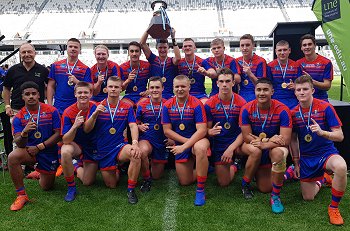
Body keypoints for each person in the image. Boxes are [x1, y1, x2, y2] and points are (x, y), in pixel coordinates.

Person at [291, 75, 347, 225]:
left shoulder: (325, 107)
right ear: (295, 92)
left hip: (326, 152)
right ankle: (323, 179)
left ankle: (334, 207)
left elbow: (340, 136)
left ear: (312, 90)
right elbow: (293, 140)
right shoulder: (293, 113)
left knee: (341, 167)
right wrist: (296, 163)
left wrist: (323, 133)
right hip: (307, 157)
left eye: (305, 89)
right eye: (298, 90)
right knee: (308, 197)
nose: (302, 92)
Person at [84, 76, 142, 204]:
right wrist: (94, 115)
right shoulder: (97, 106)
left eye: (116, 87)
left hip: (120, 146)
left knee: (135, 154)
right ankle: (119, 169)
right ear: (106, 89)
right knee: (112, 185)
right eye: (111, 87)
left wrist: (135, 143)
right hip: (103, 149)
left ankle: (131, 190)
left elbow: (133, 125)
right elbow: (87, 129)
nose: (113, 89)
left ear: (121, 89)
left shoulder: (126, 107)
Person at [239, 78, 292, 214]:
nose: (262, 93)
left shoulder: (282, 110)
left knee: (278, 155)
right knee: (255, 151)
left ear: (272, 91)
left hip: (271, 147)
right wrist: (267, 141)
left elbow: (285, 139)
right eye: (259, 90)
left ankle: (275, 196)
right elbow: (246, 136)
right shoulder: (246, 108)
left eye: (265, 90)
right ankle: (245, 184)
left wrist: (265, 145)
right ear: (254, 91)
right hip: (254, 145)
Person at [8, 81, 60, 211]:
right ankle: (21, 195)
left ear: (39, 95)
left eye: (33, 93)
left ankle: (39, 172)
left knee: (46, 187)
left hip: (48, 151)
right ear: (22, 97)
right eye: (27, 94)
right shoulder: (18, 117)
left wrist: (40, 147)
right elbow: (19, 143)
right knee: (13, 157)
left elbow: (58, 134)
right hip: (30, 152)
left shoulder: (52, 111)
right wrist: (24, 132)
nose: (31, 96)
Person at [162, 75, 210, 206]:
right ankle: (206, 168)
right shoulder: (167, 106)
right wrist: (185, 143)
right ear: (172, 88)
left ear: (189, 87)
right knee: (184, 181)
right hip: (182, 142)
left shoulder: (197, 104)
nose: (180, 89)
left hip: (198, 140)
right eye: (177, 86)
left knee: (200, 148)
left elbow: (202, 130)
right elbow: (167, 131)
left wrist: (185, 146)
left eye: (183, 86)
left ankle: (200, 189)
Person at [205, 68, 246, 186]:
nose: (224, 85)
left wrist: (231, 149)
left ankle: (251, 173)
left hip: (237, 143)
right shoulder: (210, 103)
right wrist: (210, 131)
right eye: (221, 81)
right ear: (217, 83)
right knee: (223, 183)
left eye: (228, 81)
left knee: (253, 149)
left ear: (233, 83)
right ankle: (235, 166)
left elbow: (245, 132)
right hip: (219, 144)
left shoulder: (242, 103)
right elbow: (206, 130)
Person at [60, 81, 96, 202]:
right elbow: (65, 140)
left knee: (87, 182)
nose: (83, 95)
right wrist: (75, 126)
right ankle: (71, 187)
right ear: (75, 94)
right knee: (65, 151)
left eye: (86, 92)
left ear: (90, 94)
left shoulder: (95, 107)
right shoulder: (68, 112)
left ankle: (75, 165)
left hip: (93, 146)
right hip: (77, 145)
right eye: (79, 92)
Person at [136, 77, 171, 192]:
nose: (154, 90)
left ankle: (153, 162)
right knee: (143, 151)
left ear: (162, 88)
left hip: (162, 141)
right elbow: (134, 122)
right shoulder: (141, 104)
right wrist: (139, 126)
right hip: (147, 138)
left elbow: (175, 123)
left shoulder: (168, 104)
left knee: (157, 176)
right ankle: (146, 179)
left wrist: (172, 139)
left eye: (157, 87)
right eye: (152, 87)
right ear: (148, 89)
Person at [47, 38, 92, 114]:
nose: (73, 49)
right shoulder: (56, 65)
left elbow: (90, 87)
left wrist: (77, 82)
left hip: (77, 106)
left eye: (76, 47)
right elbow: (50, 86)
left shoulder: (85, 68)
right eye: (70, 46)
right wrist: (49, 105)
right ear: (66, 49)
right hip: (59, 106)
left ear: (80, 50)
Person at [3, 43, 49, 117]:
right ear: (20, 54)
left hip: (38, 111)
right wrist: (7, 106)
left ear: (35, 53)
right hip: (17, 110)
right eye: (24, 52)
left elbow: (50, 87)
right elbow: (6, 88)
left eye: (29, 51)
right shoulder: (13, 70)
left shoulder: (43, 70)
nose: (27, 54)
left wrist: (49, 104)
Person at [140, 28, 181, 100]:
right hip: (154, 94)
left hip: (169, 95)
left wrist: (173, 38)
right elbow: (142, 43)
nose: (162, 50)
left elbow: (178, 58)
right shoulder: (153, 59)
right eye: (160, 47)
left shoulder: (171, 61)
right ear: (156, 48)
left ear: (168, 48)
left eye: (165, 47)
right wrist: (150, 28)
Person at [296, 34, 333, 102]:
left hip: (321, 99)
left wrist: (312, 81)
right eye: (304, 45)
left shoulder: (326, 62)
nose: (307, 47)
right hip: (303, 99)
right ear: (301, 48)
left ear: (315, 46)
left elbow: (327, 86)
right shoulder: (298, 63)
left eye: (310, 44)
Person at [267, 40, 302, 109]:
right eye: (279, 50)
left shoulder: (296, 65)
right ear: (276, 51)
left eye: (285, 50)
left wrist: (295, 86)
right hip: (275, 99)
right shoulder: (270, 66)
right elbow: (268, 84)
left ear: (289, 50)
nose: (282, 53)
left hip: (292, 99)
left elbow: (300, 84)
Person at [236, 34, 267, 102]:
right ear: (240, 47)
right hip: (241, 94)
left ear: (253, 46)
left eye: (247, 45)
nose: (244, 48)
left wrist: (250, 74)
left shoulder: (260, 61)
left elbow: (262, 85)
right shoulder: (237, 61)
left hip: (256, 94)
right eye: (242, 45)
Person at [120, 41, 151, 106]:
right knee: (124, 106)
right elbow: (120, 90)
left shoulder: (147, 65)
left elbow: (155, 80)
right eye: (132, 51)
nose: (134, 54)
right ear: (128, 53)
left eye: (136, 51)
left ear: (140, 53)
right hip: (128, 96)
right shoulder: (122, 68)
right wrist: (128, 81)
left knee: (142, 105)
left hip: (142, 96)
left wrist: (149, 90)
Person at [177, 38, 207, 104]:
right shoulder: (179, 63)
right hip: (183, 94)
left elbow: (211, 73)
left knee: (205, 105)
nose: (187, 48)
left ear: (194, 48)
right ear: (182, 49)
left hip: (200, 94)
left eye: (190, 46)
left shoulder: (202, 61)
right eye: (185, 46)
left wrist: (206, 72)